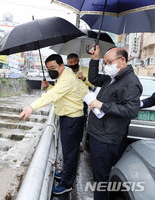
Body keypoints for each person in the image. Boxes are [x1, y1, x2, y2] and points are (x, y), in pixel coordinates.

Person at [19, 54, 84, 195]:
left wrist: (31, 107)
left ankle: (66, 184)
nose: (50, 71)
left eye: (53, 67)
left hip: (72, 119)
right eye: (48, 69)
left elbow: (52, 96)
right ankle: (65, 173)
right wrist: (49, 87)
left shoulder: (66, 79)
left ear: (62, 65)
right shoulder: (63, 75)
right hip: (68, 117)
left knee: (70, 153)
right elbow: (58, 93)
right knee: (67, 151)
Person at [87, 46, 142, 200]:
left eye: (109, 62)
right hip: (98, 132)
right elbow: (93, 79)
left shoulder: (130, 82)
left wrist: (102, 105)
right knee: (99, 175)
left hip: (106, 137)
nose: (106, 66)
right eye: (105, 63)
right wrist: (95, 59)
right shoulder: (113, 77)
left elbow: (131, 111)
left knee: (101, 178)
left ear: (122, 60)